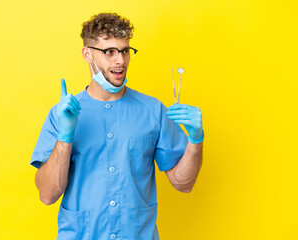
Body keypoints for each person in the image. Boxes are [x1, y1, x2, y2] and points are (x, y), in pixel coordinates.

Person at [31, 12, 204, 240]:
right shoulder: (62, 114)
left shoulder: (153, 110)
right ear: (87, 54)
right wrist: (65, 136)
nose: (120, 60)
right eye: (109, 52)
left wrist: (195, 140)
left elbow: (184, 184)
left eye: (124, 50)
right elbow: (47, 194)